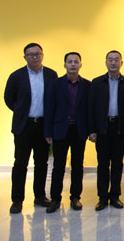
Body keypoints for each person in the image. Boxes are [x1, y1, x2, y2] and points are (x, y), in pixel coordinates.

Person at [4, 43, 58, 214]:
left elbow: (54, 98)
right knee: (20, 163)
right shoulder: (16, 76)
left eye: (37, 54)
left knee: (41, 163)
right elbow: (9, 98)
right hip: (24, 126)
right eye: (31, 54)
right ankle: (17, 200)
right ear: (25, 57)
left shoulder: (51, 75)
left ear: (42, 55)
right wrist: (21, 112)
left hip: (43, 125)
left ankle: (40, 196)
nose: (34, 57)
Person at [44, 52, 91, 213]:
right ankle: (55, 199)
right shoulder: (55, 84)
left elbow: (90, 110)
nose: (72, 64)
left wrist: (91, 130)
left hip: (79, 130)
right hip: (60, 130)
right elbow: (49, 108)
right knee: (58, 166)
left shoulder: (87, 85)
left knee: (78, 165)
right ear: (64, 64)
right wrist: (48, 131)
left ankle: (75, 197)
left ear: (80, 65)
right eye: (69, 62)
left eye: (76, 62)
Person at [88, 50, 124, 211]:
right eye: (110, 60)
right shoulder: (97, 82)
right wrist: (92, 130)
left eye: (116, 60)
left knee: (117, 163)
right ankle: (102, 197)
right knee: (103, 164)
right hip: (102, 128)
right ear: (105, 62)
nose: (113, 62)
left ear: (121, 63)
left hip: (120, 128)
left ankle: (115, 196)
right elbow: (91, 107)